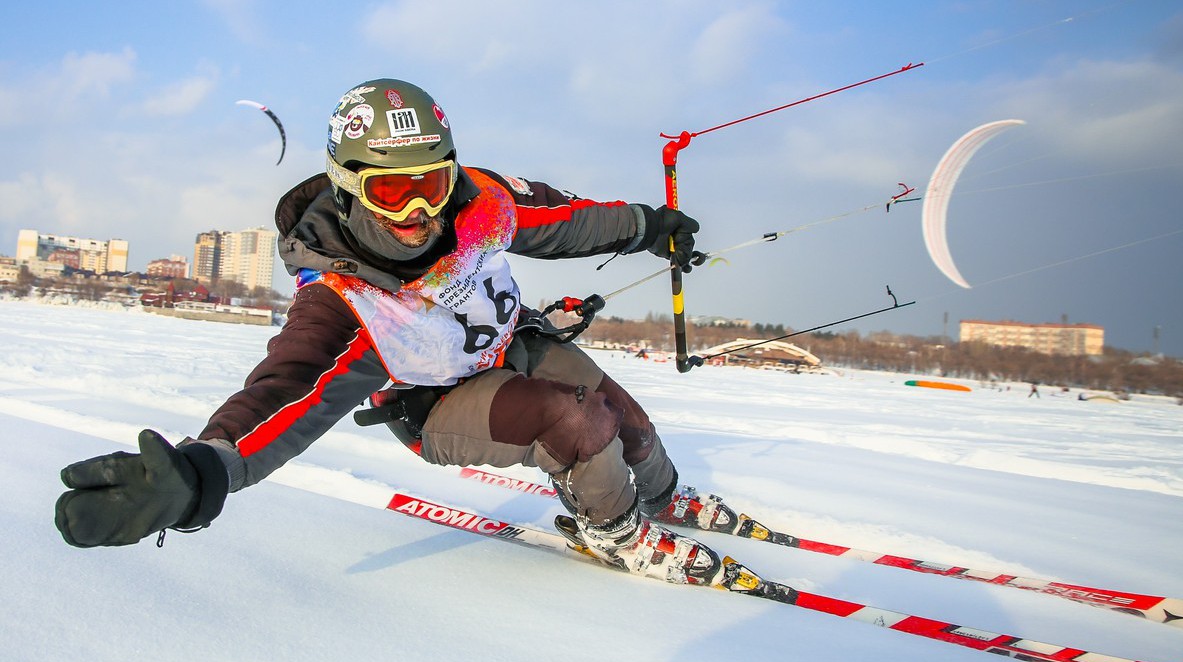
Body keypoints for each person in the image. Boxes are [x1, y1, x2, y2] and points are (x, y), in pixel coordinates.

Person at [55, 78, 737, 586]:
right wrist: (206, 469)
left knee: (628, 421)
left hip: (508, 342)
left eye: (430, 183)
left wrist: (650, 226)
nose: (417, 210)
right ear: (349, 185)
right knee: (577, 424)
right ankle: (616, 528)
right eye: (389, 192)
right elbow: (286, 390)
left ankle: (662, 490)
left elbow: (565, 220)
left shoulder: (477, 203)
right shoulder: (343, 301)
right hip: (435, 402)